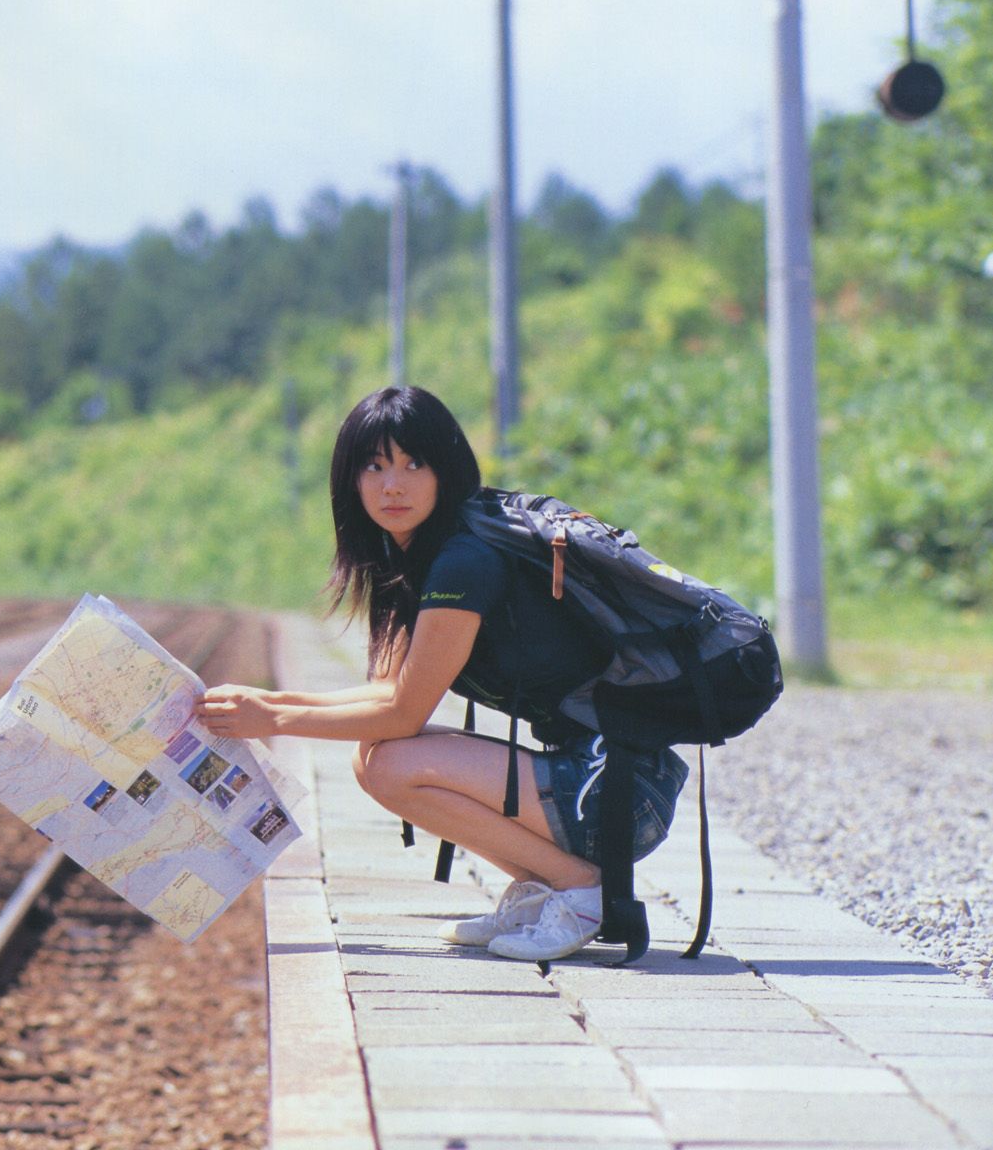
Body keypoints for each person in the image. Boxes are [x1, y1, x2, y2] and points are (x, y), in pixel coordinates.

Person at [194, 385, 687, 961]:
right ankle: (542, 889)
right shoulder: (417, 559)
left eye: (413, 464)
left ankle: (581, 891)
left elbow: (404, 713)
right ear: (350, 481)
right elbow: (386, 693)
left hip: (620, 796)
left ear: (445, 471)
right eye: (374, 467)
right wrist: (266, 701)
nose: (392, 485)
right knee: (375, 755)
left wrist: (272, 717)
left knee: (390, 762)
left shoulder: (464, 560)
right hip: (600, 786)